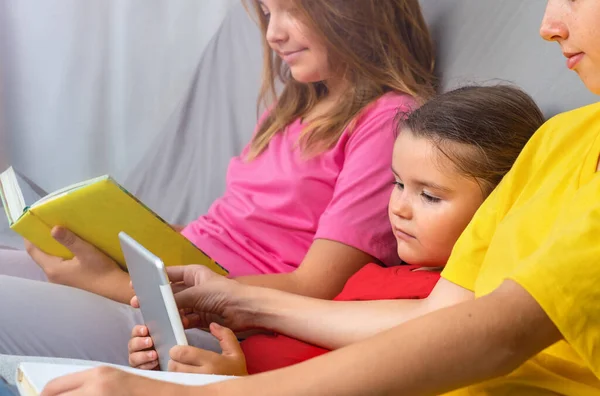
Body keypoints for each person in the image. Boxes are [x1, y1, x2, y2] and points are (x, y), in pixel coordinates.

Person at [41, 0, 600, 394]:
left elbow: (500, 332)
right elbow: (441, 318)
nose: (547, 25)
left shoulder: (385, 123)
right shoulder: (557, 141)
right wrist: (234, 300)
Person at [0, 0, 435, 363]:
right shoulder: (293, 107)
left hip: (208, 316)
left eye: (292, 11)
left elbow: (315, 288)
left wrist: (109, 285)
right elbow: (225, 229)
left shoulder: (387, 122)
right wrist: (113, 233)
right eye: (267, 12)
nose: (273, 34)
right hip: (172, 277)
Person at [127, 85, 545, 374]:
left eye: (429, 197)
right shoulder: (374, 277)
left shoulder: (447, 303)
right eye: (397, 183)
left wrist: (233, 382)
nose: (398, 207)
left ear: (501, 208)